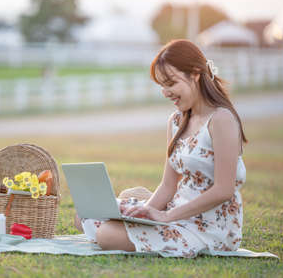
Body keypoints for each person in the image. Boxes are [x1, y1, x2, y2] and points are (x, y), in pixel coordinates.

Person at [74, 39, 248, 258]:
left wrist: (167, 217)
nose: (165, 92)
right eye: (162, 85)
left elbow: (224, 190)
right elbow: (168, 185)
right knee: (85, 215)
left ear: (195, 74)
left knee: (107, 234)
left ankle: (133, 215)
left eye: (171, 83)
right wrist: (145, 212)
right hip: (174, 214)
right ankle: (137, 206)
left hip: (209, 229)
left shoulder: (221, 119)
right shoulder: (176, 121)